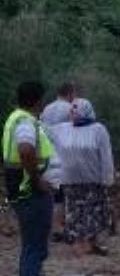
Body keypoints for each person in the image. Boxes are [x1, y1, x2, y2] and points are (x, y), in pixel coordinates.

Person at [3, 81, 61, 276]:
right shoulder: (25, 122)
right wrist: (37, 181)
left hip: (23, 192)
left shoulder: (14, 119)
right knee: (34, 250)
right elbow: (26, 151)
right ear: (38, 101)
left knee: (33, 249)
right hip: (31, 194)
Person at [51, 99, 115, 256]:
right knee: (74, 213)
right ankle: (78, 243)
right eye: (72, 111)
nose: (73, 114)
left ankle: (91, 243)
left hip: (93, 181)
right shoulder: (62, 129)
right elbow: (48, 141)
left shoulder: (98, 130)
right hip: (70, 181)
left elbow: (106, 155)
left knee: (93, 212)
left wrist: (108, 177)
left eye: (76, 110)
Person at [39, 81, 74, 241]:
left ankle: (50, 226)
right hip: (63, 154)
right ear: (70, 93)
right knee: (63, 194)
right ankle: (59, 229)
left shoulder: (46, 109)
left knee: (51, 193)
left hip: (46, 154)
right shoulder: (69, 109)